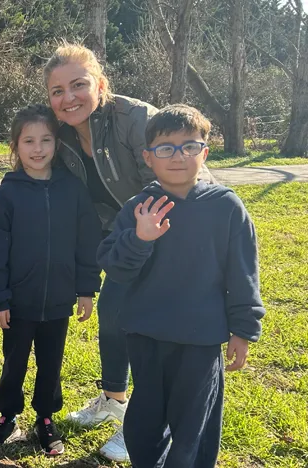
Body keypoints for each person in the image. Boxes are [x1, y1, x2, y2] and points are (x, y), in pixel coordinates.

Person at [43, 42, 213, 462]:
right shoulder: (59, 132)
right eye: (57, 91)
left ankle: (155, 417)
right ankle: (115, 400)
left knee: (155, 329)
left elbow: (190, 178)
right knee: (114, 315)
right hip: (122, 239)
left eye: (79, 85)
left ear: (100, 84)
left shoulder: (137, 118)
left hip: (171, 232)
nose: (69, 98)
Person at [97, 104, 265, 467]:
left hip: (201, 340)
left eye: (189, 147)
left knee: (193, 426)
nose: (177, 157)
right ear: (148, 157)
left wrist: (244, 329)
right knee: (144, 422)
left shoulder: (226, 208)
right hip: (145, 335)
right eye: (165, 148)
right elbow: (115, 267)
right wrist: (140, 239)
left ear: (204, 153)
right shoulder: (138, 207)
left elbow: (243, 273)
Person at [0, 105, 102, 456]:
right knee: (14, 361)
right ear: (16, 146)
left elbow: (87, 240)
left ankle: (45, 418)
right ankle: (7, 416)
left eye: (46, 139)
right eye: (28, 140)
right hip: (18, 303)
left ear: (57, 144)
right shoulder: (8, 192)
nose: (37, 148)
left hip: (60, 299)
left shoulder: (73, 189)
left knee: (51, 362)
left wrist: (86, 289)